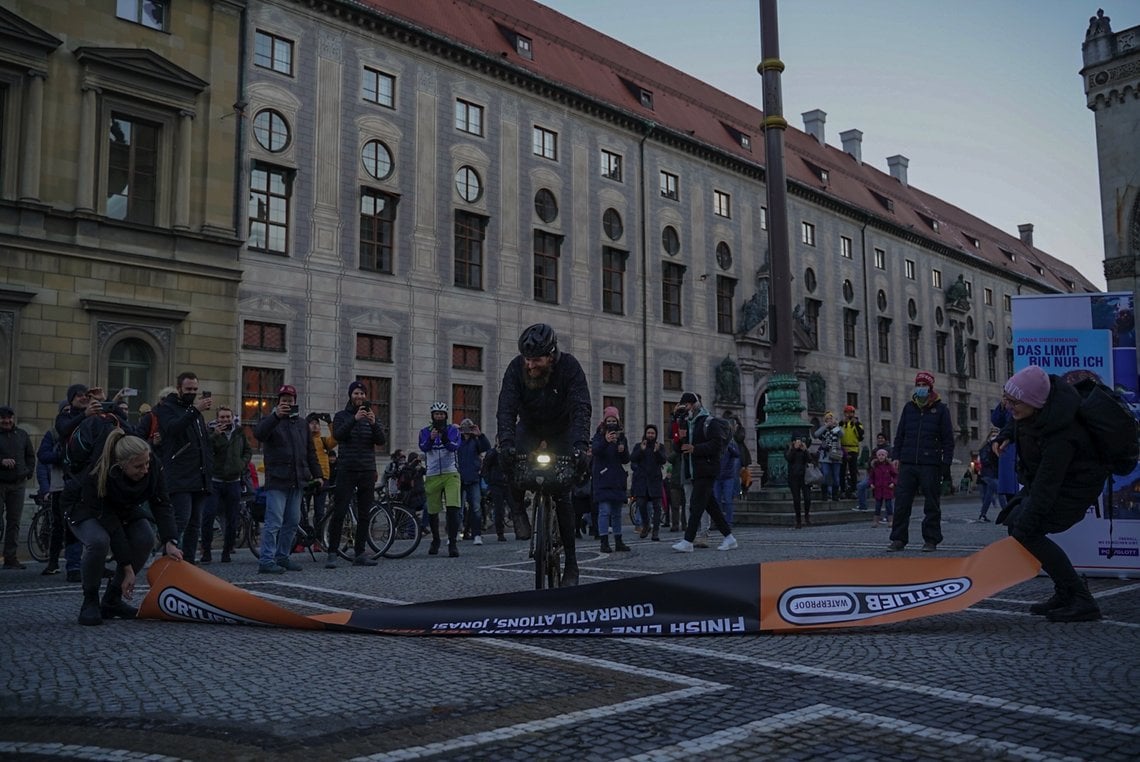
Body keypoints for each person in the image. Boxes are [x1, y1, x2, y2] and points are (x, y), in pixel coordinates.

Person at [995, 365, 1108, 622]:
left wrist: (1027, 523)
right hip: (1051, 485)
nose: (1008, 406)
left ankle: (1082, 600)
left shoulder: (1062, 436)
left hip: (1074, 491)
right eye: (1006, 398)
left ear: (1034, 403)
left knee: (1027, 532)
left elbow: (1047, 486)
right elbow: (1018, 422)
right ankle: (1065, 591)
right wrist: (1004, 436)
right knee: (1018, 527)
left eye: (1014, 402)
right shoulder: (1035, 411)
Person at [495, 323, 592, 586]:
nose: (530, 366)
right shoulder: (516, 368)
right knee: (506, 458)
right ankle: (517, 509)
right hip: (530, 427)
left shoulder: (569, 367)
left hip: (562, 430)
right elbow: (506, 406)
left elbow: (581, 406)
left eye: (536, 360)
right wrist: (505, 441)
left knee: (563, 496)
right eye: (527, 359)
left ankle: (571, 564)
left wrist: (581, 445)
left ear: (551, 355)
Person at [60, 429, 182, 625]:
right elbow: (112, 526)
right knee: (99, 541)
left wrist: (170, 540)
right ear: (121, 465)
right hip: (84, 507)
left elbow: (161, 503)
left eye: (147, 463)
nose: (145, 470)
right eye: (138, 467)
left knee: (145, 538)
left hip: (124, 506)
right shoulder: (99, 473)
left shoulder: (153, 466)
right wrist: (127, 568)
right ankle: (90, 600)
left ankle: (112, 600)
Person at [252, 384, 322, 574]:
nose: (287, 403)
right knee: (273, 522)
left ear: (295, 402)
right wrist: (276, 416)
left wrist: (318, 475)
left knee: (292, 522)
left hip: (298, 480)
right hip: (277, 480)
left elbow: (310, 452)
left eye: (290, 400)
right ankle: (266, 560)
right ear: (278, 402)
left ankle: (282, 557)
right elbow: (258, 433)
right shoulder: (270, 420)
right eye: (284, 400)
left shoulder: (301, 424)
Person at [888, 371, 954, 552]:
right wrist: (896, 456)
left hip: (930, 463)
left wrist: (946, 462)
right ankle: (898, 539)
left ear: (930, 387)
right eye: (919, 384)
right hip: (908, 462)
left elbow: (948, 439)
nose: (921, 388)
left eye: (924, 385)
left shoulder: (941, 409)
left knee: (931, 503)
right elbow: (900, 434)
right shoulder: (909, 407)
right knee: (902, 502)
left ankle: (931, 539)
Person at [153, 372, 214, 564]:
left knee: (195, 524)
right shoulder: (167, 408)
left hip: (199, 475)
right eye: (188, 389)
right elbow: (173, 428)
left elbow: (202, 442)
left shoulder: (194, 413)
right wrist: (195, 410)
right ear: (179, 388)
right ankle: (169, 560)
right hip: (179, 475)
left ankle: (188, 562)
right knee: (181, 521)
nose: (192, 392)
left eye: (195, 389)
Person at [671, 392, 739, 553]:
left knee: (695, 504)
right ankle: (729, 538)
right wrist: (678, 433)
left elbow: (717, 444)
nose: (685, 408)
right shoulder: (686, 422)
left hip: (707, 469)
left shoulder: (710, 421)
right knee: (712, 506)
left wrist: (696, 449)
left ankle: (688, 541)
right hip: (693, 471)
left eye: (686, 405)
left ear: (694, 404)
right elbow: (678, 449)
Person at [328, 381, 386, 568]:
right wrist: (354, 419)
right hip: (347, 469)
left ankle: (359, 553)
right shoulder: (341, 416)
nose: (359, 397)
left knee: (364, 514)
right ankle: (332, 552)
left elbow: (381, 440)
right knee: (340, 511)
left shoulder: (371, 417)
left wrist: (374, 423)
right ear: (350, 395)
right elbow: (338, 435)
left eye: (362, 393)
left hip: (367, 469)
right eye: (356, 393)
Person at [203, 406, 251, 563]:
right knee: (209, 516)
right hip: (215, 481)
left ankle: (227, 551)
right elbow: (205, 450)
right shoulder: (211, 433)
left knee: (232, 518)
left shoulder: (239, 433)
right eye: (222, 417)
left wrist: (242, 464)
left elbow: (248, 451)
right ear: (217, 419)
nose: (225, 420)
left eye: (227, 417)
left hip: (233, 481)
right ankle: (206, 551)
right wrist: (215, 435)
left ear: (232, 418)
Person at [419, 401, 462, 558]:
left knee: (453, 508)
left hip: (451, 473)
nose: (439, 416)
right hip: (433, 474)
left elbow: (454, 447)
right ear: (432, 416)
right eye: (436, 414)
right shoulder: (424, 431)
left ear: (445, 416)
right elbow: (423, 447)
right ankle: (436, 540)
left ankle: (452, 543)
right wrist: (430, 439)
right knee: (433, 510)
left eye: (442, 414)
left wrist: (444, 438)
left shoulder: (452, 430)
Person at [0, 405, 35, 569]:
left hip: (18, 484)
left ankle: (10, 557)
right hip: (1, 483)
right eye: (3, 418)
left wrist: (27, 472)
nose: (6, 421)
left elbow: (30, 455)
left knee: (14, 522)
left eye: (9, 418)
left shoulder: (21, 434)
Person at [591, 406, 630, 553]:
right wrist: (606, 441)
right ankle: (604, 541)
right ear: (604, 421)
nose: (612, 422)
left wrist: (623, 450)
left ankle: (618, 541)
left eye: (614, 420)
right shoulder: (598, 435)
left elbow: (626, 459)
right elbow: (595, 451)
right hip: (602, 477)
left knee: (616, 512)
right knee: (604, 511)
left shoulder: (621, 437)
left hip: (617, 479)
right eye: (609, 420)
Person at [457, 418, 491, 545]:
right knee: (458, 509)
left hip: (473, 478)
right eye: (464, 427)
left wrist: (480, 435)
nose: (466, 430)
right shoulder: (457, 441)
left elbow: (487, 448)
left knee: (476, 508)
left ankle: (477, 534)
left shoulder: (476, 441)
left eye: (469, 427)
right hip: (459, 478)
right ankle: (457, 532)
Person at [630, 424, 667, 541]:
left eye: (653, 433)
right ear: (645, 434)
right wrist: (641, 450)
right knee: (641, 504)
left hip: (655, 481)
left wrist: (656, 452)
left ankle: (655, 531)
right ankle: (646, 525)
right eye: (649, 433)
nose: (650, 435)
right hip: (642, 481)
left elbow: (663, 460)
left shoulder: (659, 446)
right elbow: (633, 459)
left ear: (655, 435)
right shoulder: (639, 446)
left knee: (657, 507)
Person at [305, 412, 337, 530]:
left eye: (317, 424)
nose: (314, 426)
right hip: (307, 478)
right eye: (311, 423)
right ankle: (300, 542)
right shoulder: (303, 440)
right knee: (303, 511)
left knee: (320, 512)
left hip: (323, 479)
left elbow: (335, 439)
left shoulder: (323, 441)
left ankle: (318, 540)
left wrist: (330, 423)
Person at [480, 442, 513, 542]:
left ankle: (519, 530)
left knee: (514, 507)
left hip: (507, 483)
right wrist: (489, 481)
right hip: (497, 483)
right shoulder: (493, 453)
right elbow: (485, 467)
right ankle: (500, 533)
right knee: (499, 509)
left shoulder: (507, 451)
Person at [813, 412, 843, 503]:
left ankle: (835, 495)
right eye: (828, 419)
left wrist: (836, 425)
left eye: (831, 419)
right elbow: (816, 434)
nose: (830, 421)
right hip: (825, 456)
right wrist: (825, 426)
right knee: (825, 474)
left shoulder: (837, 429)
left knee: (836, 477)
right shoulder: (824, 430)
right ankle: (825, 494)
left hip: (835, 455)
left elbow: (841, 435)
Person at [783, 436, 813, 529]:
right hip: (793, 477)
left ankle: (807, 515)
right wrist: (794, 449)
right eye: (797, 441)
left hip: (804, 477)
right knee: (797, 499)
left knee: (807, 498)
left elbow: (810, 459)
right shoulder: (789, 449)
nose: (798, 443)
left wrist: (805, 450)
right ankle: (798, 519)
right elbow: (788, 458)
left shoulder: (803, 449)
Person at [856, 432, 889, 512]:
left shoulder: (889, 449)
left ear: (885, 440)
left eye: (882, 438)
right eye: (879, 438)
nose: (880, 440)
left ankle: (889, 514)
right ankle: (862, 506)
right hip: (873, 475)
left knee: (887, 494)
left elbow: (889, 463)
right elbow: (870, 462)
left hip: (885, 476)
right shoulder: (875, 450)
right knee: (860, 486)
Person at [713, 432, 741, 527]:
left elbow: (737, 454)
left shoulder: (731, 445)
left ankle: (728, 522)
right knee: (717, 500)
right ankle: (719, 521)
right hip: (717, 476)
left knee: (728, 500)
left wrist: (729, 447)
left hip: (728, 477)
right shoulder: (716, 445)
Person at [976, 427, 1003, 522]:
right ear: (989, 437)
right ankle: (1006, 514)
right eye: (993, 435)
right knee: (1001, 491)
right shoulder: (986, 447)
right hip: (988, 474)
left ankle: (982, 515)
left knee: (989, 495)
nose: (995, 437)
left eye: (996, 435)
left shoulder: (996, 446)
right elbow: (984, 460)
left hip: (993, 474)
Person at [838, 405, 865, 498]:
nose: (849, 414)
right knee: (842, 471)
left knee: (853, 470)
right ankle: (842, 490)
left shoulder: (858, 423)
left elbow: (861, 436)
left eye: (851, 412)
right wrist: (841, 423)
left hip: (853, 449)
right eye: (847, 412)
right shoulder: (841, 423)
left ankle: (854, 489)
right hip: (843, 449)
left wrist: (856, 424)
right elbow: (836, 433)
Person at [867, 448, 897, 528]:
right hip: (878, 489)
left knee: (889, 506)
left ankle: (891, 520)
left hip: (887, 488)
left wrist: (893, 483)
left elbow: (895, 475)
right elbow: (871, 477)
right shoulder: (875, 466)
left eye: (883, 455)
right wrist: (871, 484)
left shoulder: (889, 465)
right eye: (879, 455)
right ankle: (876, 521)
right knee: (877, 506)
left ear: (886, 456)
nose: (881, 457)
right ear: (877, 456)